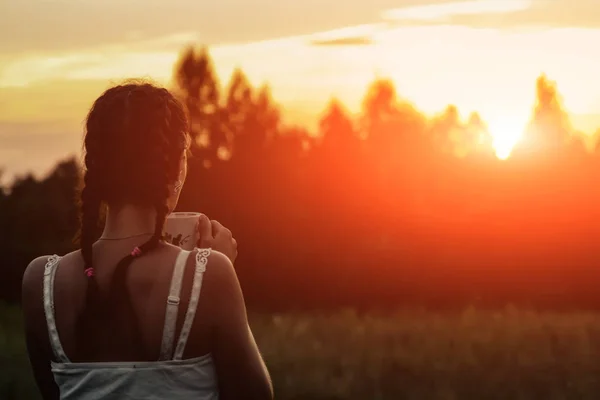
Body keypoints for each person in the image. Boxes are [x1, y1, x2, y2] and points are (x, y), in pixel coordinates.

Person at [21, 82, 273, 400]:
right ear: (178, 165)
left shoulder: (40, 282)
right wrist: (211, 270)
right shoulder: (210, 275)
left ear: (94, 168)